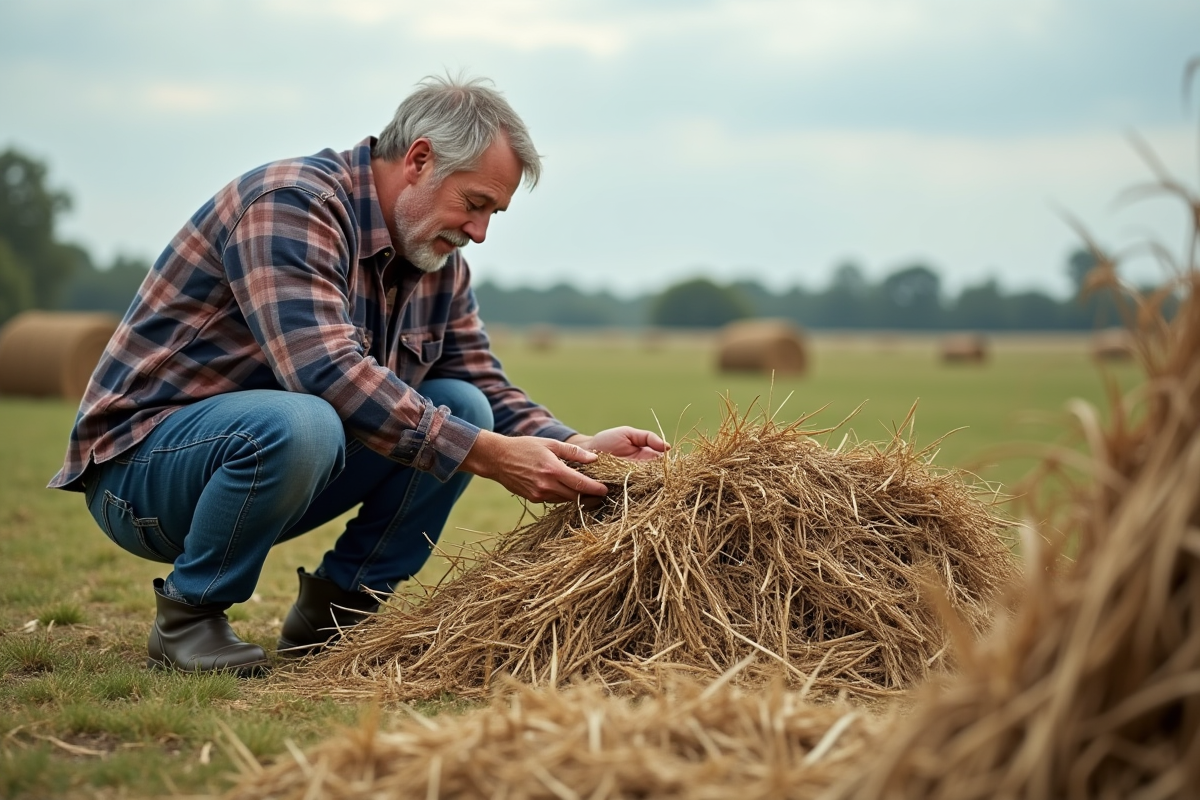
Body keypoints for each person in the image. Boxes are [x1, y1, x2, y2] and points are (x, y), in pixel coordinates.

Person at [48, 74, 668, 677]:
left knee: (464, 404)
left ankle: (338, 613)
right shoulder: (289, 204)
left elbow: (481, 379)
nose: (479, 233)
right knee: (309, 419)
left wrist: (577, 448)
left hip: (272, 468)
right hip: (144, 477)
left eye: (493, 214)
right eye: (475, 204)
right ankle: (190, 615)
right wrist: (490, 456)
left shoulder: (435, 258)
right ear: (420, 159)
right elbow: (324, 371)